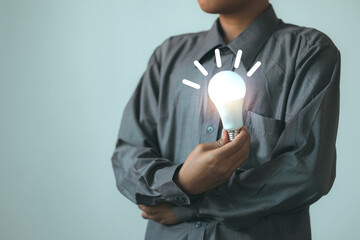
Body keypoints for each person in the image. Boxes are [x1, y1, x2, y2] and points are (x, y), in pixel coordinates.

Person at [111, 0, 340, 239]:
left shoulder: (308, 51)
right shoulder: (168, 56)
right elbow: (127, 156)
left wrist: (191, 205)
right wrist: (181, 181)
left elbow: (306, 174)